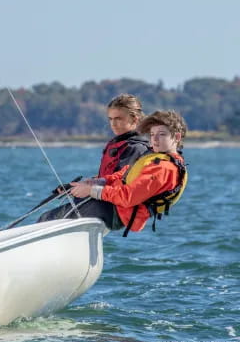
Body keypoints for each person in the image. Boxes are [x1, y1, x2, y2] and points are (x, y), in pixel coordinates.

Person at [38, 110, 188, 236]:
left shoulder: (163, 168)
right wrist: (93, 183)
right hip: (111, 206)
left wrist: (91, 190)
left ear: (176, 137)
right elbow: (123, 175)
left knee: (46, 220)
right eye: (152, 134)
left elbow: (128, 197)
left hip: (114, 210)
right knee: (51, 217)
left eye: (161, 134)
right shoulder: (157, 159)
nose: (154, 139)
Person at [97, 94, 149, 178]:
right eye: (110, 119)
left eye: (118, 119)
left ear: (135, 119)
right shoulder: (116, 144)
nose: (113, 124)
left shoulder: (137, 148)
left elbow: (120, 182)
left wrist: (92, 188)